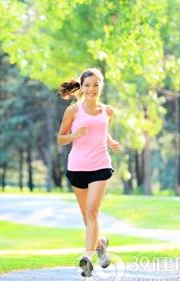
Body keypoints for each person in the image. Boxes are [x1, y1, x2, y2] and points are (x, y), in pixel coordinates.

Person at [56, 68, 121, 277]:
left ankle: (87, 258)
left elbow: (103, 130)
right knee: (87, 217)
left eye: (95, 85)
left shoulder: (108, 111)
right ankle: (101, 244)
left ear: (101, 86)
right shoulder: (73, 111)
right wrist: (74, 135)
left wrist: (110, 142)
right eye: (87, 85)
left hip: (100, 166)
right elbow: (60, 138)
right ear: (81, 88)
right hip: (77, 167)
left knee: (93, 211)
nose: (92, 89)